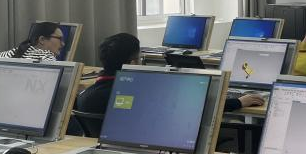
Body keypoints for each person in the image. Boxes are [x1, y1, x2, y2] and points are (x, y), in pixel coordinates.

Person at [76, 33, 263, 116]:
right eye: (139, 58)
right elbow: (197, 106)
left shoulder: (84, 96)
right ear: (131, 63)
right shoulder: (139, 93)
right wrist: (239, 102)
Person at [0, 21, 64, 63]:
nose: (63, 44)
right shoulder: (47, 58)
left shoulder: (18, 51)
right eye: (59, 39)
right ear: (42, 40)